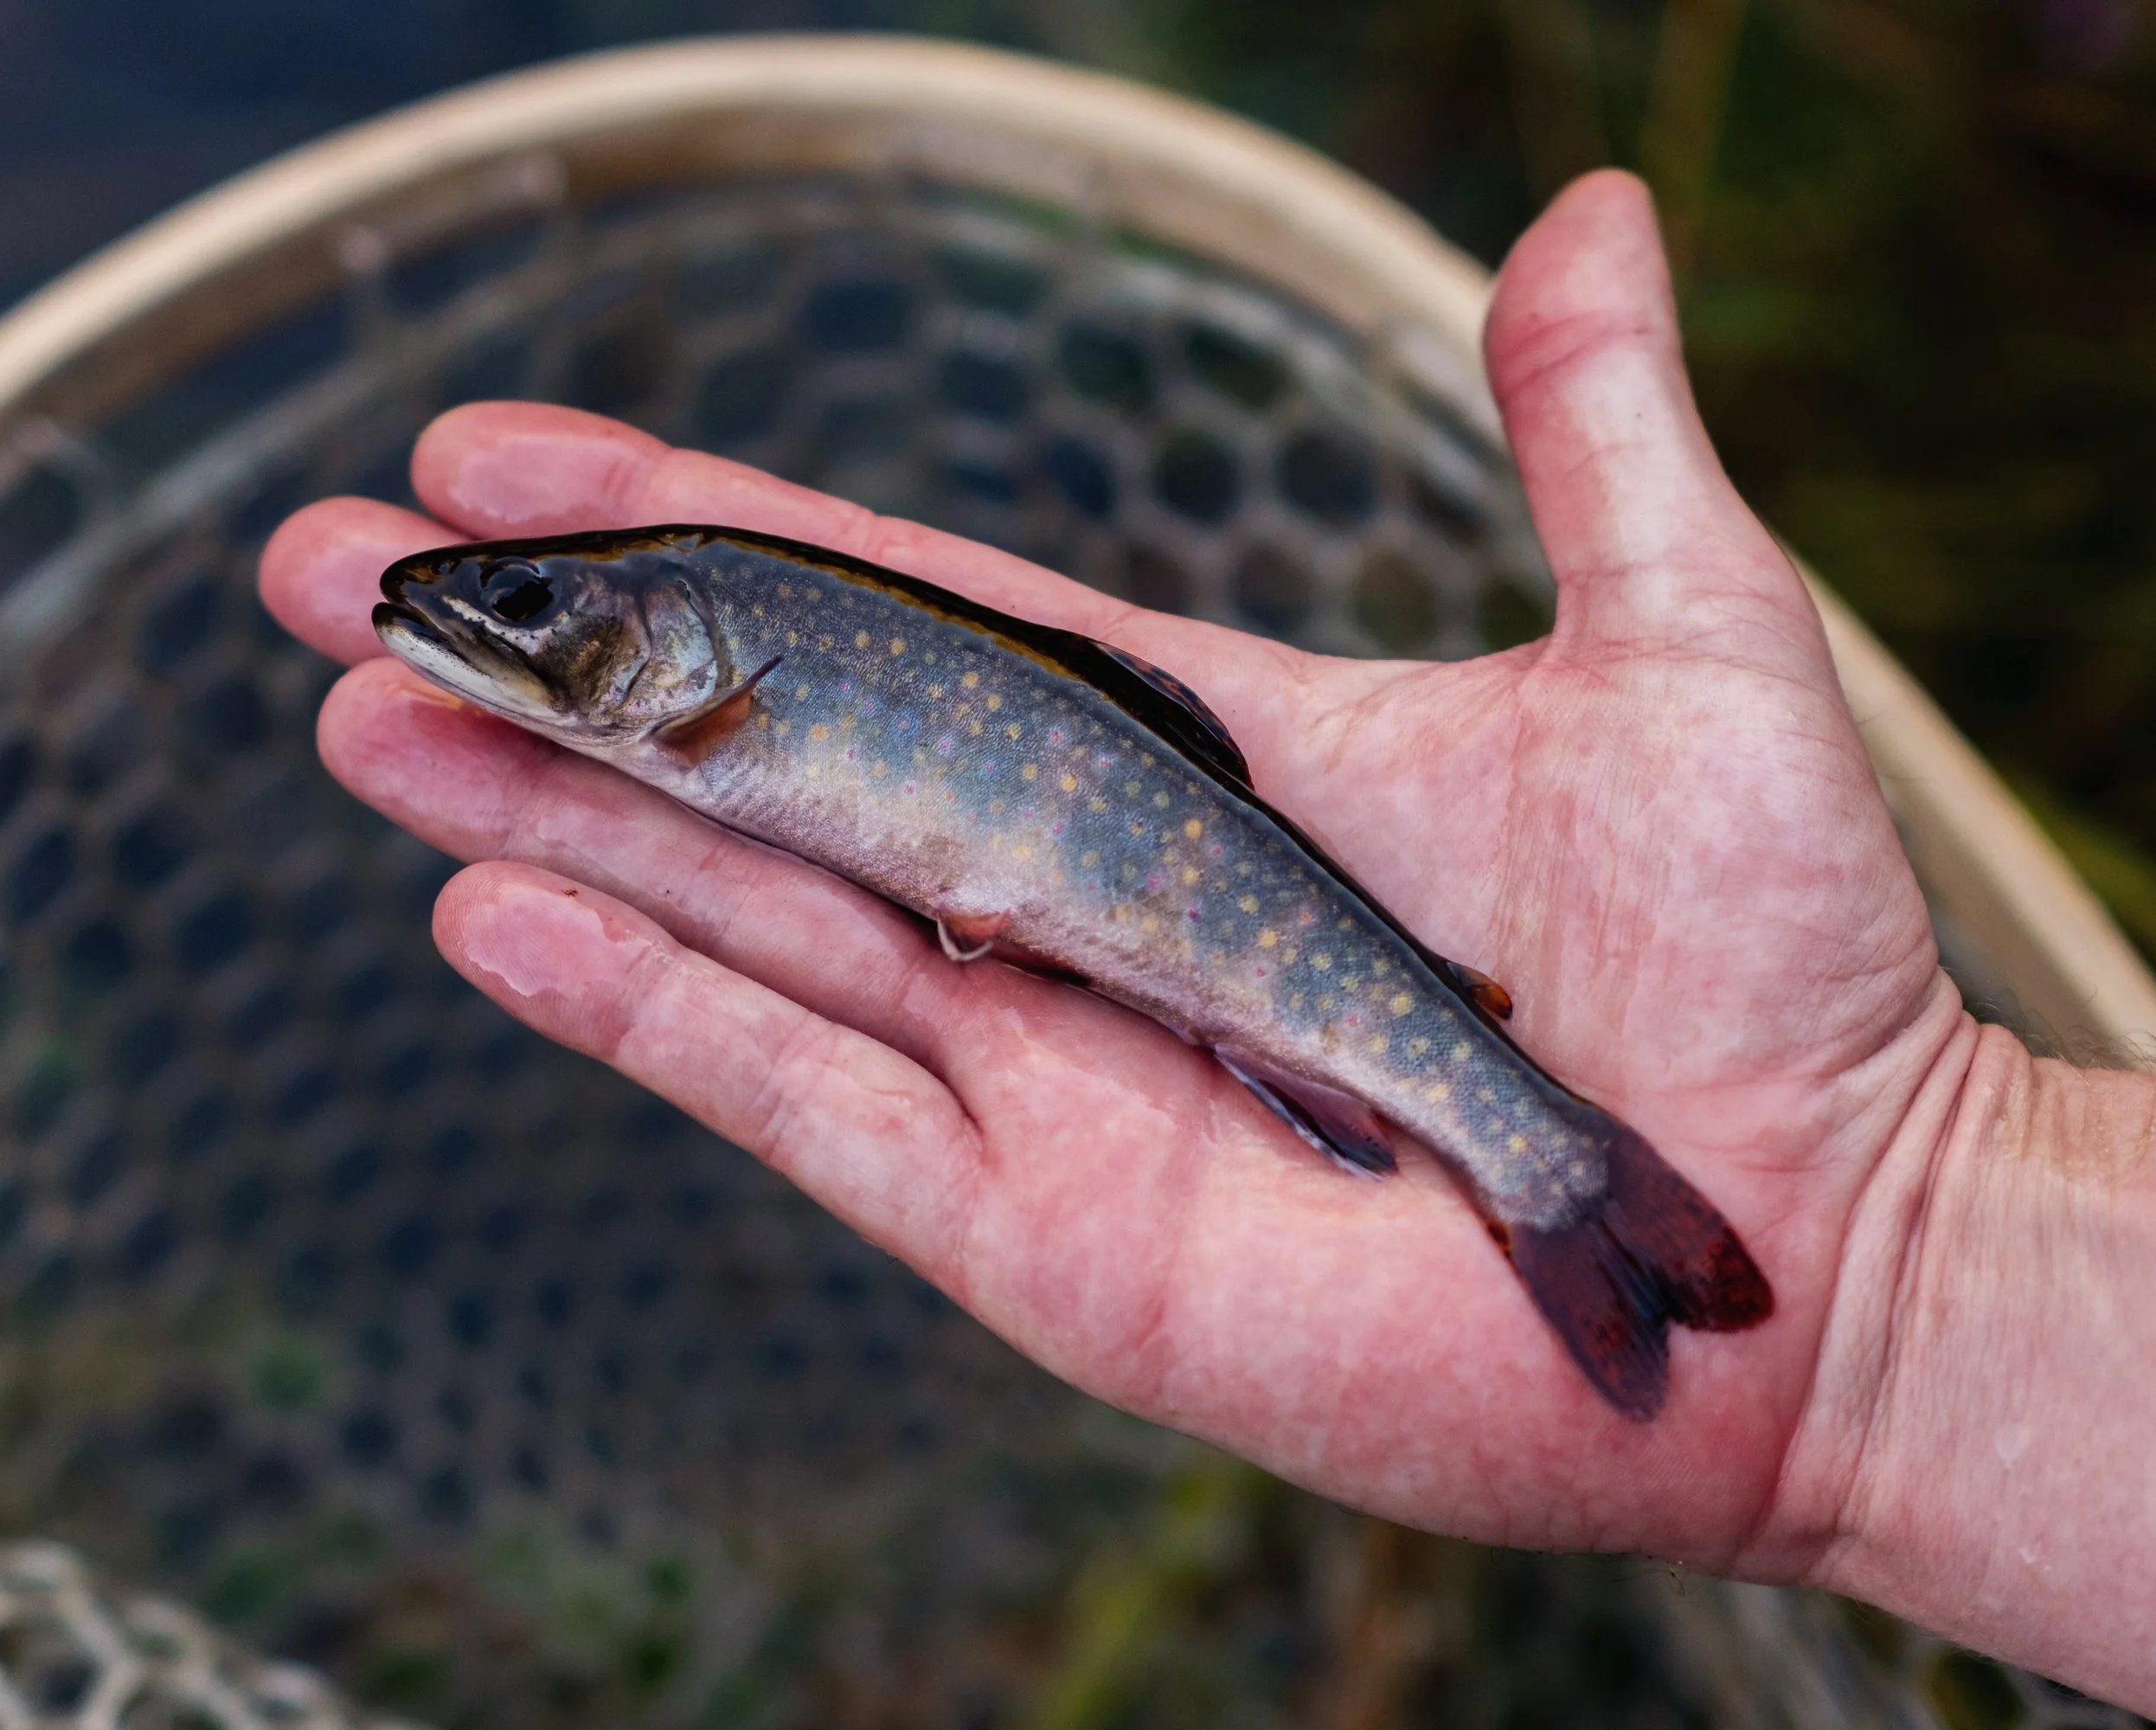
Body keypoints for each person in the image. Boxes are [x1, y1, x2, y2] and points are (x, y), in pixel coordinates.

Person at [259, 170, 2156, 1714]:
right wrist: (1928, 1260)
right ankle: (1556, 1171)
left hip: (1195, 895)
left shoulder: (719, 676)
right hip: (1134, 866)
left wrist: (1916, 1240)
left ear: (659, 638)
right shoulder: (707, 680)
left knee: (1373, 1041)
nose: (472, 617)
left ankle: (1544, 1162)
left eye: (518, 604)